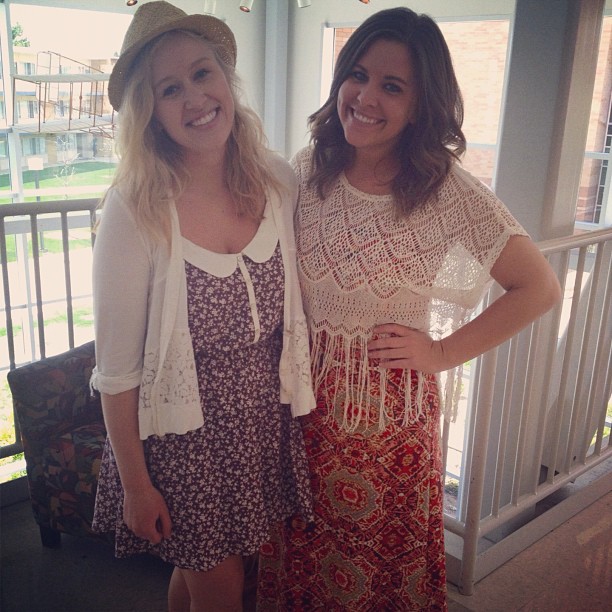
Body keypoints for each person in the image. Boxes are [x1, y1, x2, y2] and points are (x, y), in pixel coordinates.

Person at [257, 7, 561, 611]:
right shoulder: (310, 168)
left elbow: (538, 288)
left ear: (421, 105)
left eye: (392, 86)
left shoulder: (448, 192)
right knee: (300, 561)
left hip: (385, 421)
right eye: (358, 74)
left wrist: (443, 351)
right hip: (298, 408)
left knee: (373, 572)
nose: (366, 97)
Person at [89, 2, 315, 611]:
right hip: (182, 441)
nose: (195, 98)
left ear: (226, 80)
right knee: (221, 588)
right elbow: (116, 372)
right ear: (151, 112)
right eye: (170, 89)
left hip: (258, 426)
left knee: (199, 576)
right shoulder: (134, 210)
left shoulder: (275, 181)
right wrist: (137, 486)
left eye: (202, 73)